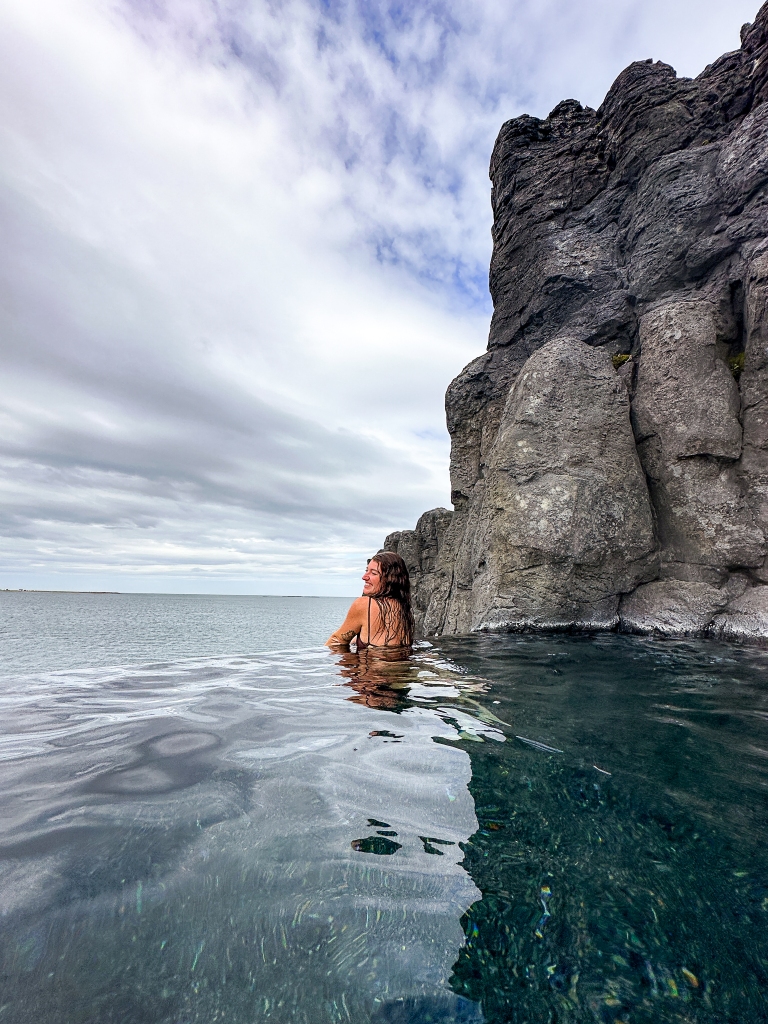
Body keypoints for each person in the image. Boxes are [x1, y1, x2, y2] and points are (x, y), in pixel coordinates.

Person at [326, 551, 414, 649]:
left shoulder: (364, 604)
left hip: (370, 663)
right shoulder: (403, 609)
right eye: (366, 570)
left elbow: (336, 641)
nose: (364, 577)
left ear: (389, 579)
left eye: (373, 573)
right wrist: (356, 640)